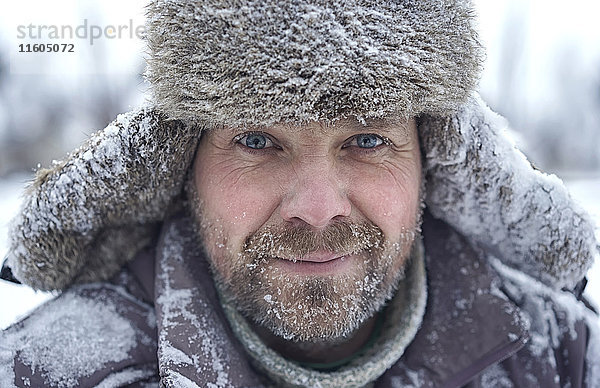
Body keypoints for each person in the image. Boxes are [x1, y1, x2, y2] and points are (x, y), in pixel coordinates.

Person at [1, 1, 599, 387]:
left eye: (366, 138)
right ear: (184, 164)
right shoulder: (46, 371)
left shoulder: (561, 357)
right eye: (258, 139)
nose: (317, 208)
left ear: (431, 159)